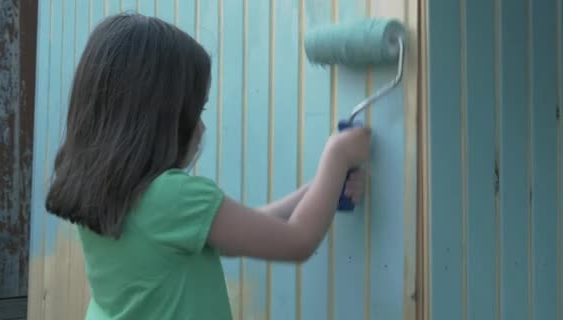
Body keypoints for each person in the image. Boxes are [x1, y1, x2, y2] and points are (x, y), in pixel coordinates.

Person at [45, 13, 371, 320]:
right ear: (159, 119)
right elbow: (297, 241)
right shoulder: (171, 197)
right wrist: (337, 155)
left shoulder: (101, 187)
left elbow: (239, 230)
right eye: (195, 111)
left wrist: (316, 191)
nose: (201, 128)